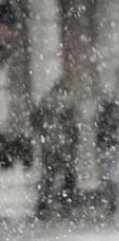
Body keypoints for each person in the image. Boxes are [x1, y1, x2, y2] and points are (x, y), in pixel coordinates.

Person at [31, 80, 79, 219]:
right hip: (63, 146)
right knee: (66, 177)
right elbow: (74, 128)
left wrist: (43, 136)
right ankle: (65, 206)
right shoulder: (67, 103)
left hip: (50, 145)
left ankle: (43, 207)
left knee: (49, 177)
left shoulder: (46, 102)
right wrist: (73, 145)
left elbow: (36, 121)